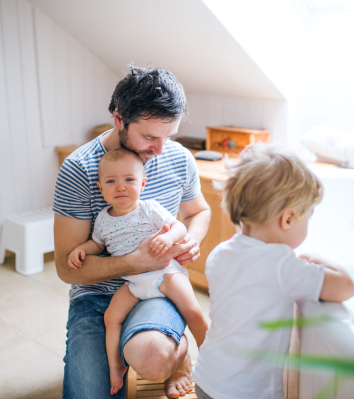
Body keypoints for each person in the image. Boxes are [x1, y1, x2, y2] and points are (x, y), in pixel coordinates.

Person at [53, 66, 211, 399]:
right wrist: (134, 262)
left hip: (159, 289)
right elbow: (67, 268)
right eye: (150, 137)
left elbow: (199, 212)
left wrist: (189, 241)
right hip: (96, 297)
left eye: (168, 136)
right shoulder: (80, 169)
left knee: (153, 359)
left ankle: (177, 353)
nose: (160, 149)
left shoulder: (180, 158)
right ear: (119, 119)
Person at [192, 144, 354, 399]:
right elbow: (346, 287)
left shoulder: (220, 253)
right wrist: (316, 258)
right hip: (245, 392)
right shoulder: (282, 265)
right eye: (308, 217)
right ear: (287, 220)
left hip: (206, 377)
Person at [67, 148, 209, 395]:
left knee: (193, 310)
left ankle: (211, 357)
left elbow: (177, 226)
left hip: (165, 275)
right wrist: (81, 249)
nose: (120, 187)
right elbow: (98, 244)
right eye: (111, 181)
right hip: (133, 283)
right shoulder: (102, 219)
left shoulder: (149, 209)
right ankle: (116, 366)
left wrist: (169, 238)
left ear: (142, 184)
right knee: (111, 318)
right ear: (101, 189)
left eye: (129, 180)